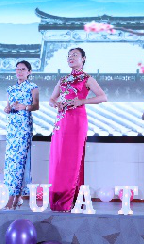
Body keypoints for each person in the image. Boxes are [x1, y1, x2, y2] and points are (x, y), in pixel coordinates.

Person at [48, 48, 107, 212]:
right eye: (69, 56)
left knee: (72, 159)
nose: (71, 58)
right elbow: (51, 99)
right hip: (61, 121)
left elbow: (103, 97)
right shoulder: (63, 79)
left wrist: (82, 101)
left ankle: (69, 200)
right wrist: (56, 104)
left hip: (76, 121)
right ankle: (58, 199)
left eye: (75, 55)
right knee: (58, 159)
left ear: (83, 58)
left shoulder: (87, 78)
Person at [3, 60, 40, 210]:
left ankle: (12, 198)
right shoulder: (10, 89)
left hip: (24, 126)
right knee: (10, 162)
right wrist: (7, 109)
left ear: (29, 72)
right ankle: (16, 196)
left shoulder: (33, 87)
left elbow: (36, 106)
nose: (19, 72)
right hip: (12, 127)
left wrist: (24, 107)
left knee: (19, 161)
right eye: (17, 69)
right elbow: (7, 106)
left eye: (23, 69)